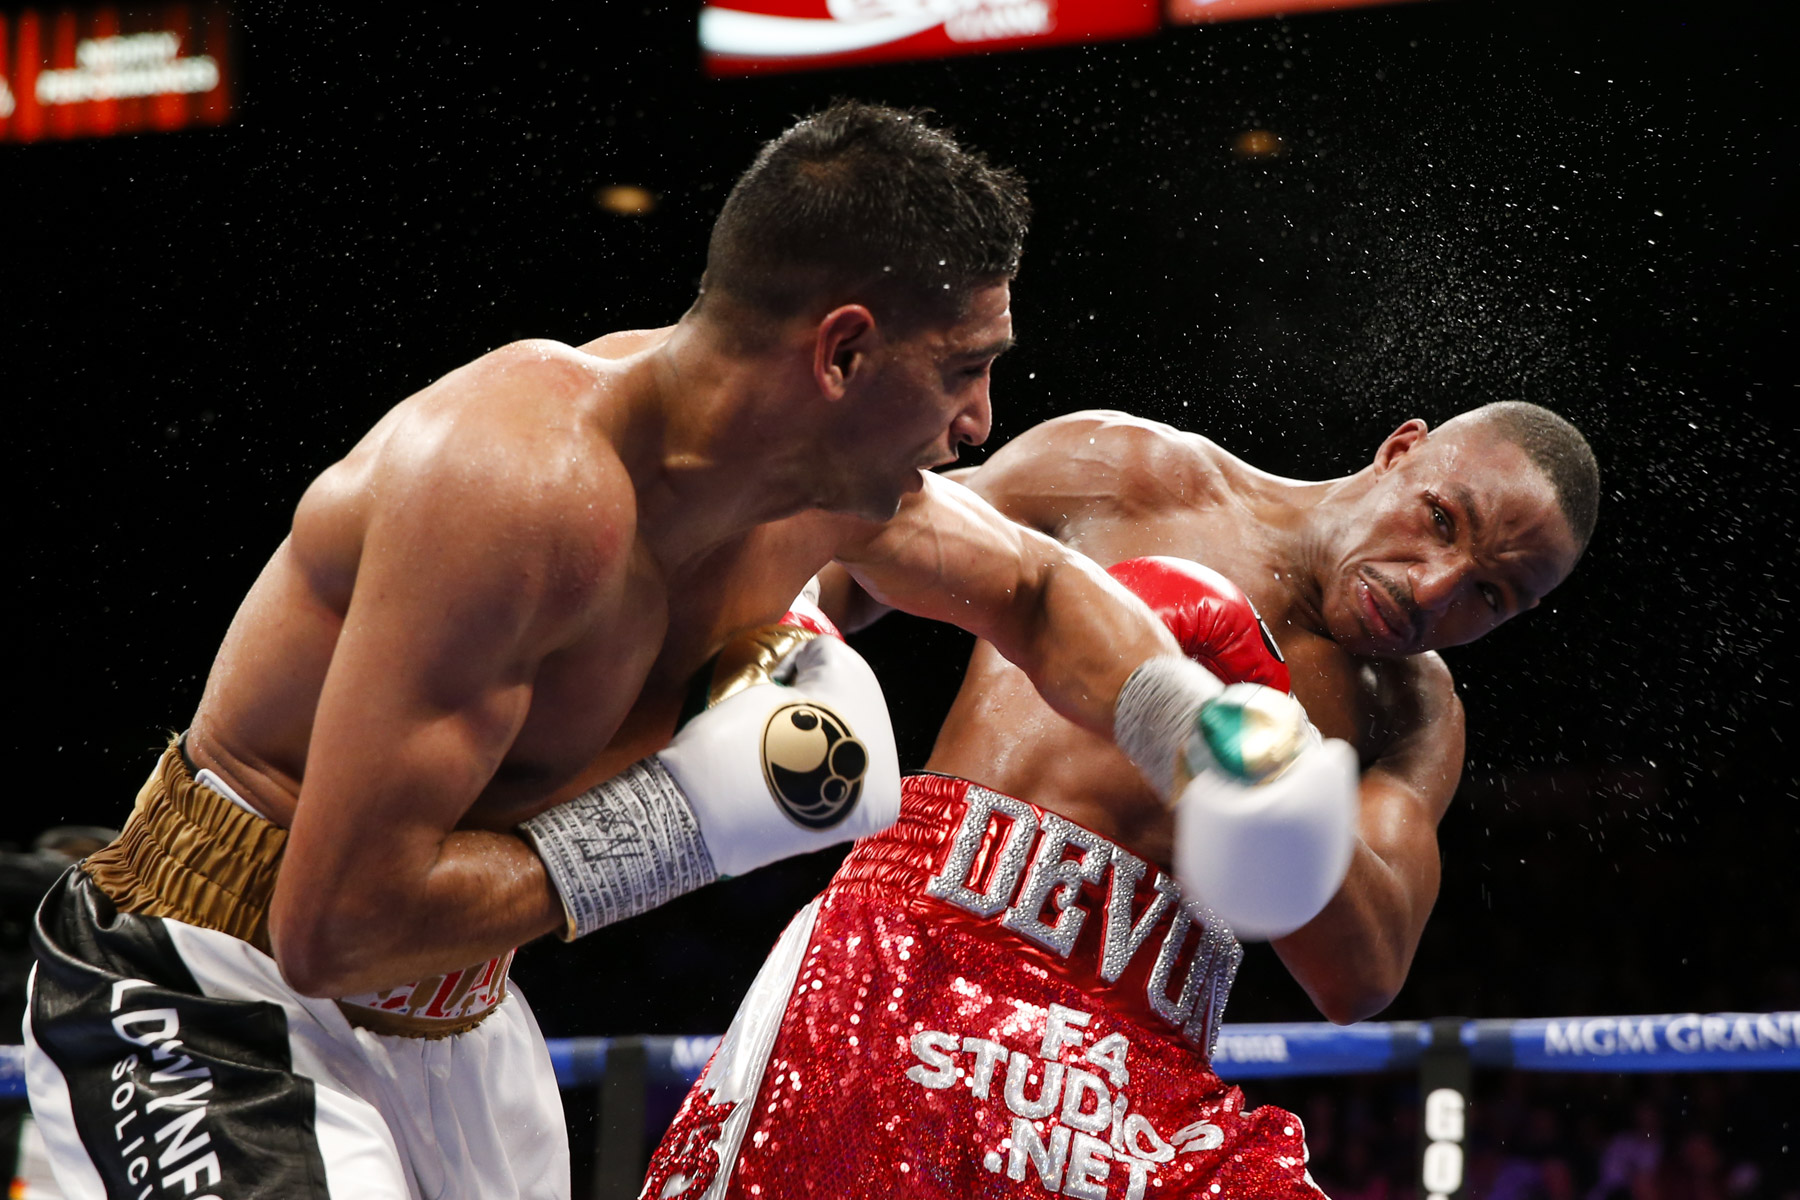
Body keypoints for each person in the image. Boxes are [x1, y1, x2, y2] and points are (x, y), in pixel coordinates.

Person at [22, 105, 1340, 1200]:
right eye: (962, 370)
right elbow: (334, 927)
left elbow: (1041, 591)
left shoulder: (822, 495)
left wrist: (1196, 733)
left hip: (458, 1016)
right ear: (843, 352)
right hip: (216, 986)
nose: (979, 421)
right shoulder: (515, 492)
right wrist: (683, 822)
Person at [642, 402, 1598, 1199]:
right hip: (911, 963)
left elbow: (1362, 976)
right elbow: (852, 547)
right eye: (1441, 521)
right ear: (1400, 451)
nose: (1434, 589)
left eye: (1491, 596)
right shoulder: (1132, 473)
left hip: (1136, 1069)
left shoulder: (1416, 713)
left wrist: (1270, 753)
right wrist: (779, 661)